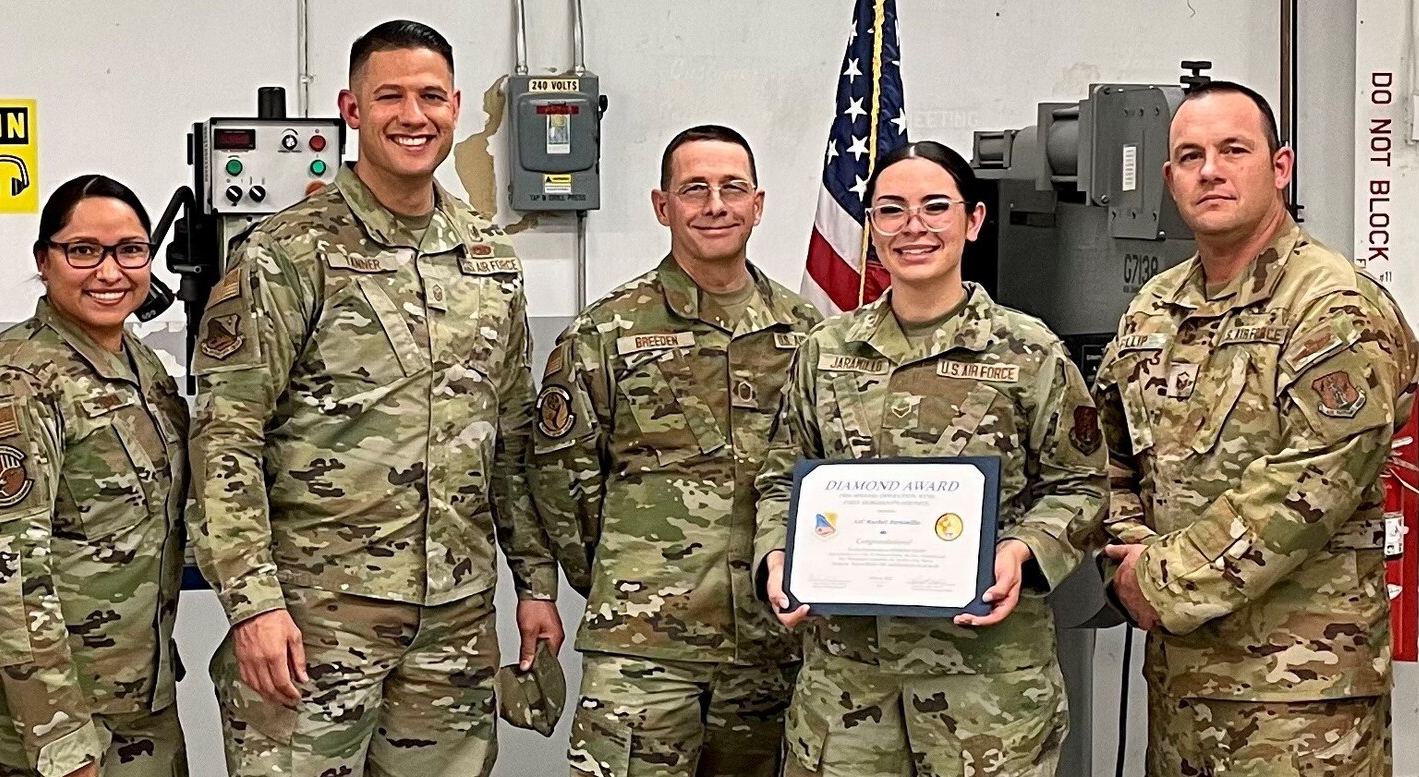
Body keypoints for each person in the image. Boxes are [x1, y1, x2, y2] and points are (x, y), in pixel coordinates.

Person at [188, 19, 562, 777]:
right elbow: (225, 437)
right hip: (315, 620)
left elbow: (513, 439)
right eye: (388, 96)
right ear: (351, 110)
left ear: (456, 106)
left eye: (430, 96)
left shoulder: (490, 259)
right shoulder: (286, 253)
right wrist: (254, 603)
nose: (412, 115)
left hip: (453, 623)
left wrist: (536, 584)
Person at [1093, 80, 1418, 775]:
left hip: (1299, 701)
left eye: (1233, 149)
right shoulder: (1155, 308)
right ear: (1168, 179)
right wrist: (1125, 558)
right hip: (1181, 687)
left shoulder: (1331, 304)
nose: (1210, 170)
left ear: (1280, 167)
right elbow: (1106, 454)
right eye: (1190, 156)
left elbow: (1311, 483)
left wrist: (1162, 579)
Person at [754, 140, 1106, 777]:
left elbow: (1081, 486)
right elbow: (781, 476)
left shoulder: (1031, 353)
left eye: (935, 207)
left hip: (986, 686)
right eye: (891, 210)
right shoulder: (824, 350)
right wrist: (776, 557)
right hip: (847, 683)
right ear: (871, 230)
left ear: (973, 221)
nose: (913, 227)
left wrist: (1022, 552)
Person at [533, 125, 821, 777]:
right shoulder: (606, 331)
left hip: (773, 645)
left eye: (732, 188)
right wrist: (626, 576)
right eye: (695, 189)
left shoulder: (809, 334)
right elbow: (560, 479)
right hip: (644, 650)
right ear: (664, 206)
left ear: (758, 203)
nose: (715, 204)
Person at [0, 175, 188, 777]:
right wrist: (62, 741)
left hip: (136, 708)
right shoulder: (15, 383)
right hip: (34, 727)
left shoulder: (140, 364)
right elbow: (7, 575)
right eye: (83, 251)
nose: (109, 272)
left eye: (130, 251)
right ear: (44, 261)